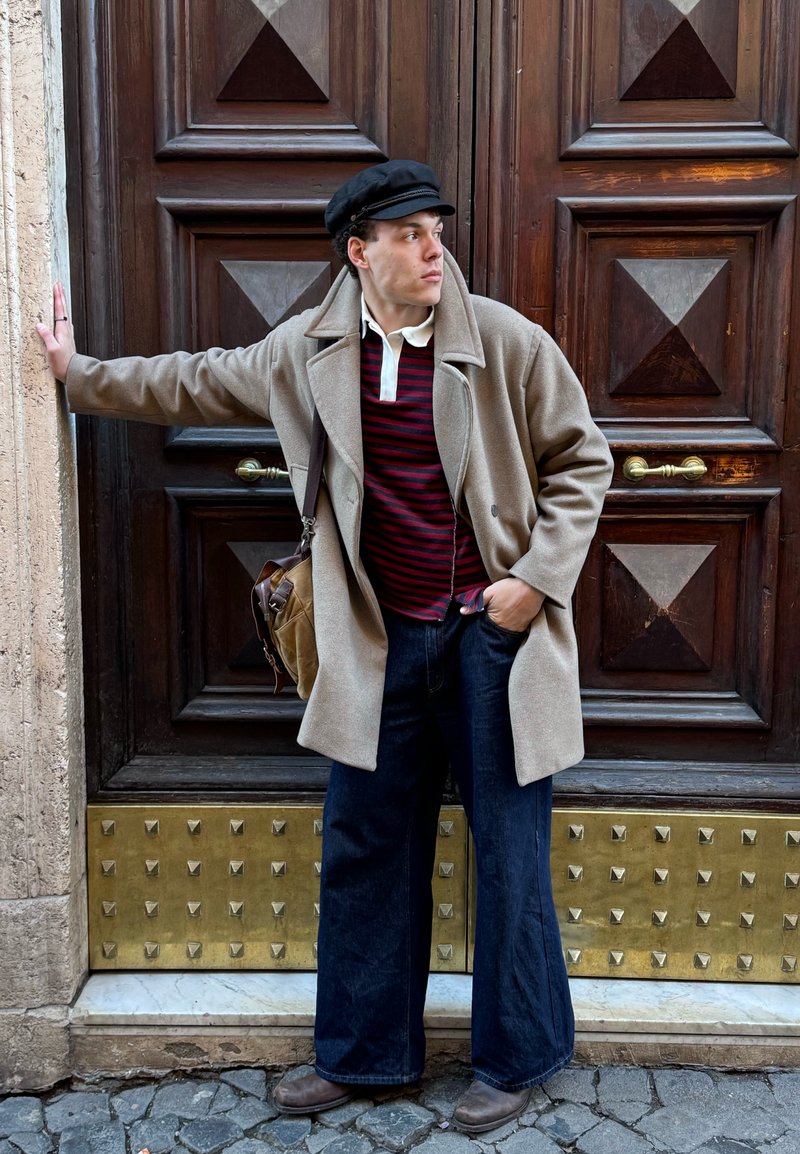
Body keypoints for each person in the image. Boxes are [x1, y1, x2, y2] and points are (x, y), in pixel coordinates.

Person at [37, 160, 613, 1134]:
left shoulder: (505, 341)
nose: (434, 250)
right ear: (359, 251)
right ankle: (361, 1054)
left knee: (506, 852)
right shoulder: (306, 351)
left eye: (437, 230)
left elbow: (580, 458)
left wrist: (529, 586)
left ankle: (515, 1056)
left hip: (490, 641)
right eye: (408, 234)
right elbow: (196, 378)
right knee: (364, 846)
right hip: (378, 645)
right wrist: (73, 374)